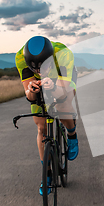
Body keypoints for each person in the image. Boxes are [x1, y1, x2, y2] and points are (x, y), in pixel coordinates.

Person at [15, 36, 79, 195]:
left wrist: (53, 87)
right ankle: (47, 173)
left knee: (63, 105)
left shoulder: (63, 54)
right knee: (41, 127)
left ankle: (72, 134)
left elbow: (62, 93)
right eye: (35, 69)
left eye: (43, 67)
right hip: (40, 84)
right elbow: (29, 96)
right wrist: (32, 90)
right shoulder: (20, 58)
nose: (40, 72)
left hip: (62, 79)